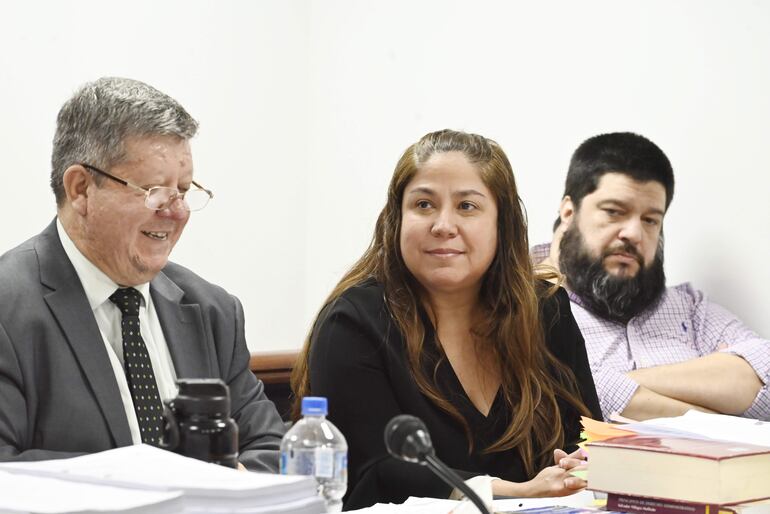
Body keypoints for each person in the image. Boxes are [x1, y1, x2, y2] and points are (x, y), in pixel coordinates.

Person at [292, 129, 602, 509]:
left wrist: (577, 468)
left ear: (501, 223)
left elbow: (587, 436)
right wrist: (517, 492)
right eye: (423, 205)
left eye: (467, 207)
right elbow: (375, 473)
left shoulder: (546, 310)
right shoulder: (354, 322)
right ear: (396, 219)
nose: (442, 224)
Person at [0, 77, 286, 469]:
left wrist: (217, 490)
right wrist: (154, 483)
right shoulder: (8, 309)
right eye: (154, 190)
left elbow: (270, 448)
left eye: (183, 191)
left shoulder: (213, 310)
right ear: (81, 189)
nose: (177, 211)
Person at [534, 131, 770, 422]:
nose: (634, 233)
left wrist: (612, 383)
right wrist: (721, 403)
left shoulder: (691, 309)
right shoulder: (517, 302)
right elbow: (553, 399)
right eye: (614, 212)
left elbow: (768, 374)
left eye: (650, 220)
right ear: (569, 211)